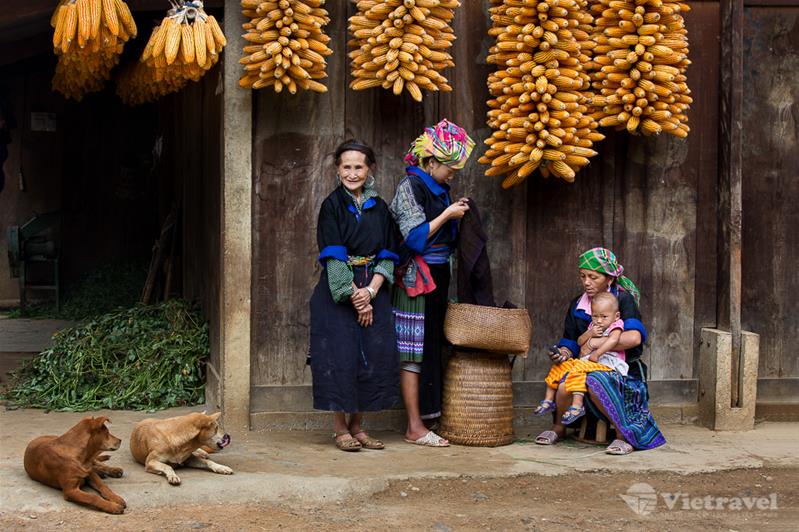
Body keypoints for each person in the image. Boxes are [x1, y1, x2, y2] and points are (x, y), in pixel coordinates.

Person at [309, 140, 400, 452]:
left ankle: (358, 426)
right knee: (340, 356)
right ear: (337, 170)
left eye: (358, 166)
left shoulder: (380, 208)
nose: (352, 173)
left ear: (369, 169)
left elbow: (389, 252)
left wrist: (372, 291)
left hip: (373, 287)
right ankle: (339, 429)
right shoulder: (332, 206)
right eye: (346, 166)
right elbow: (334, 256)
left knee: (373, 353)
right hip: (339, 292)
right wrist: (354, 297)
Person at [390, 118, 475, 447]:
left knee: (432, 347)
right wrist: (447, 215)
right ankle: (414, 426)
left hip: (438, 274)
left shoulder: (439, 189)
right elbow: (414, 238)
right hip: (416, 279)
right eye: (449, 167)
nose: (453, 173)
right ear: (430, 162)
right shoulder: (410, 187)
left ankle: (427, 419)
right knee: (414, 350)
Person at [534, 247, 666, 455]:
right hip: (586, 363)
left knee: (595, 382)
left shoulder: (622, 301)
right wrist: (564, 353)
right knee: (563, 384)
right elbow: (571, 342)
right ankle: (559, 428)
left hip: (619, 367)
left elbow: (633, 338)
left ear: (609, 279)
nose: (586, 282)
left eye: (593, 277)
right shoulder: (577, 305)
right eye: (583, 276)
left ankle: (624, 436)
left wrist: (595, 343)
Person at [534, 292, 626, 425]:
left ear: (616, 316)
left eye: (604, 317)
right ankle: (548, 401)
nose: (599, 321)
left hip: (608, 362)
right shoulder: (593, 326)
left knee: (578, 369)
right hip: (590, 361)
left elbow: (613, 340)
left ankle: (577, 406)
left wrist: (598, 353)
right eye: (595, 316)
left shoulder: (616, 325)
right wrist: (590, 333)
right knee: (560, 367)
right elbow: (579, 341)